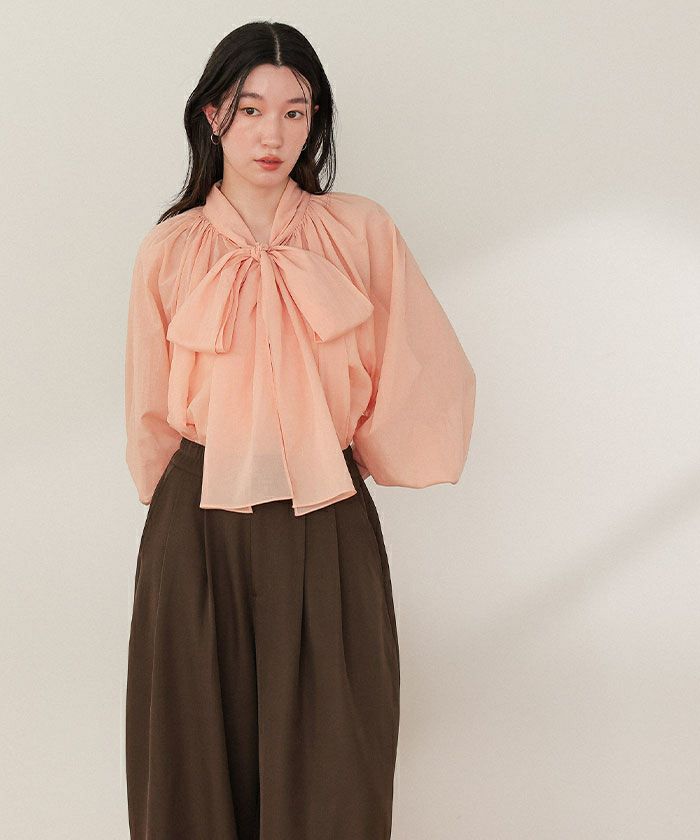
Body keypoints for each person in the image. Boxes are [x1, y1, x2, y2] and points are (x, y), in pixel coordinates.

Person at [124, 19, 477, 840]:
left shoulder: (359, 231)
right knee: (193, 760)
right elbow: (148, 412)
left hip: (328, 514)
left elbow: (422, 366)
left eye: (296, 112)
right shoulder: (168, 250)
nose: (272, 135)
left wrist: (351, 455)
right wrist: (178, 514)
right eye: (251, 110)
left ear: (315, 121)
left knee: (337, 766)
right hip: (197, 524)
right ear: (213, 115)